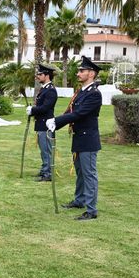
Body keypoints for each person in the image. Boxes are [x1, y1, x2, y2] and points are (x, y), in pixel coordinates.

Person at [47, 56, 102, 221]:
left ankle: (91, 210)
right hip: (79, 139)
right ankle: (80, 200)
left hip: (88, 140)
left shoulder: (94, 94)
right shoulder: (81, 92)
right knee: (80, 173)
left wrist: (56, 121)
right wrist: (56, 125)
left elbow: (78, 114)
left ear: (91, 74)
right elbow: (70, 111)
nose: (78, 73)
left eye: (81, 70)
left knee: (89, 174)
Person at [26, 63, 58, 182]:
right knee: (43, 149)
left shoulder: (50, 90)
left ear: (47, 75)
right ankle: (45, 169)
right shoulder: (44, 89)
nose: (38, 76)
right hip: (41, 123)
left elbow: (45, 108)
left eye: (40, 74)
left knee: (46, 150)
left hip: (46, 124)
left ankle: (48, 173)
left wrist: (33, 110)